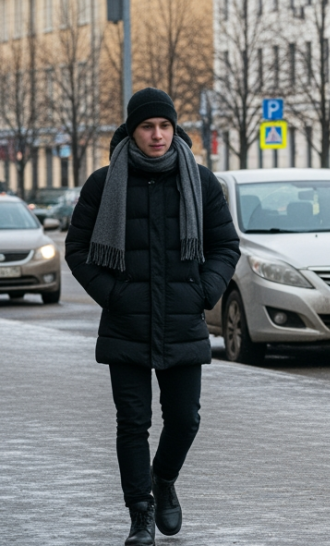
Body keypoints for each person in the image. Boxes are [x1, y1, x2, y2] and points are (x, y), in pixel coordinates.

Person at [66, 88, 240, 546]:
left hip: (182, 317)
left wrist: (204, 290)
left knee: (185, 419)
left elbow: (226, 245)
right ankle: (140, 515)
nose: (157, 134)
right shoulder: (105, 184)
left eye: (164, 126)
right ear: (133, 130)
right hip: (127, 321)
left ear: (174, 128)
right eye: (147, 126)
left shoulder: (200, 180)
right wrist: (114, 295)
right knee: (133, 423)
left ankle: (164, 480)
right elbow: (78, 251)